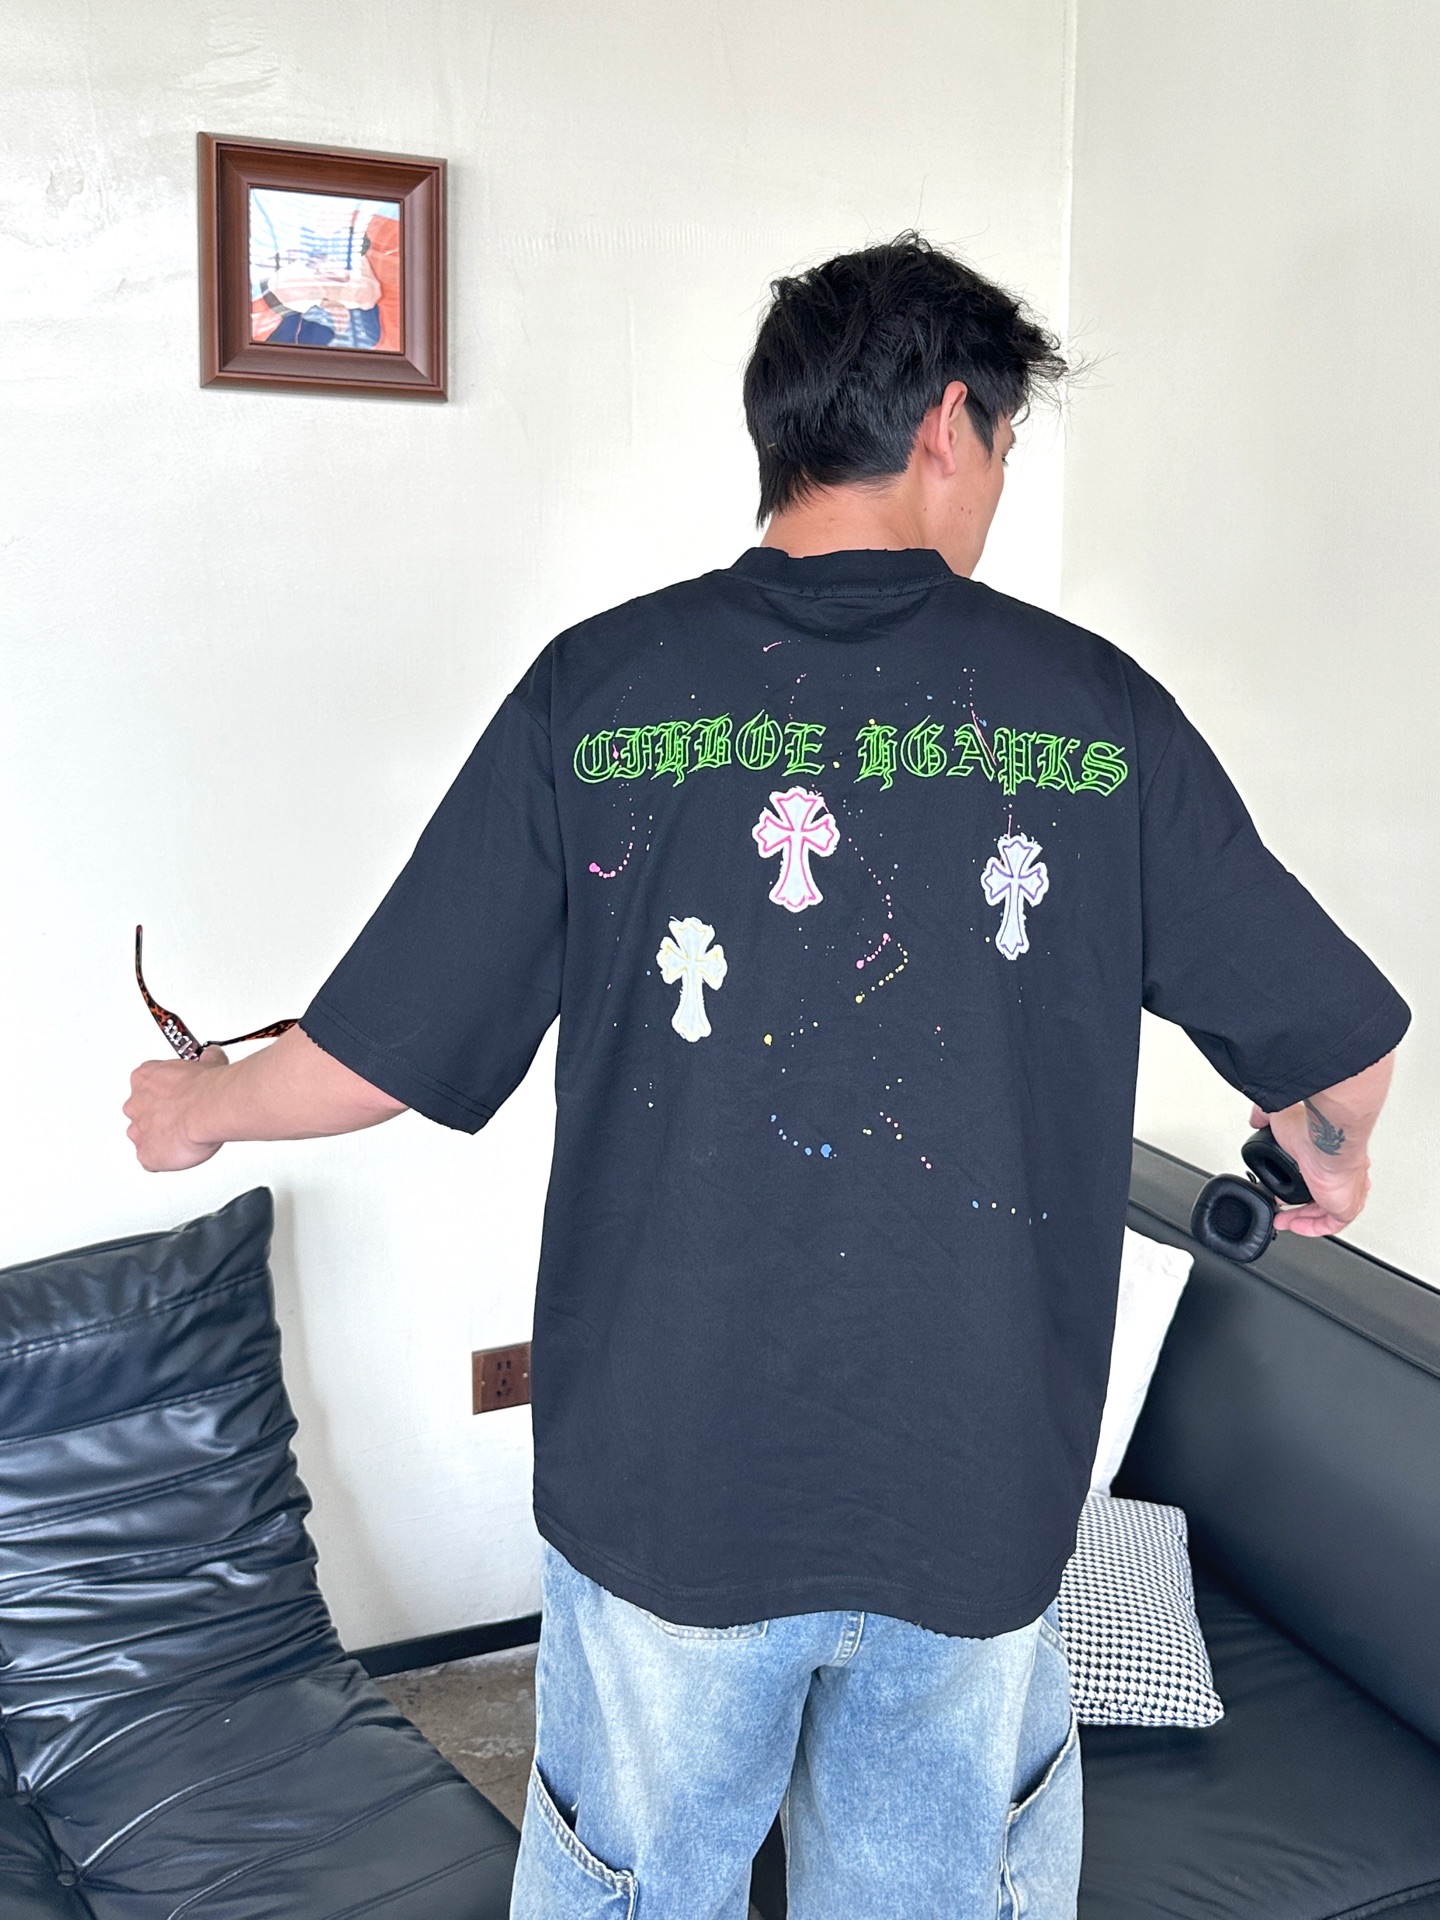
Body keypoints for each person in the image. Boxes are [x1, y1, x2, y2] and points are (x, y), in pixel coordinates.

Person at [125, 235, 1408, 1919]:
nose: (994, 486)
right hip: (973, 1490)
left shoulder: (600, 691)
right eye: (1004, 445)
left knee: (637, 1885)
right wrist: (1324, 1149)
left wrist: (196, 1107)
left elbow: (377, 1056)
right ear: (949, 422)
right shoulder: (1100, 716)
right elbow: (1342, 1054)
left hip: (673, 1483)